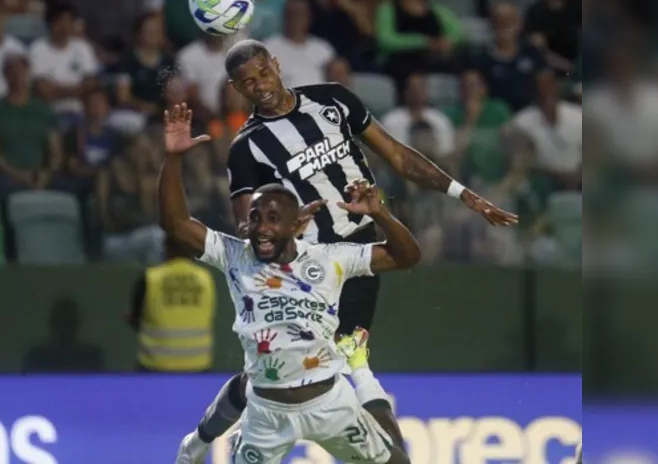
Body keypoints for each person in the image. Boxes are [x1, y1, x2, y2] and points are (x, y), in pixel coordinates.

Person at [176, 38, 519, 463]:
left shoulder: (332, 101)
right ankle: (199, 442)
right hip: (303, 267)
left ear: (277, 65)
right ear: (236, 88)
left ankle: (391, 456)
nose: (260, 86)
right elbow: (248, 226)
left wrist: (462, 193)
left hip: (358, 256)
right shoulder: (247, 148)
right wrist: (294, 223)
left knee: (351, 358)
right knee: (275, 372)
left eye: (264, 73)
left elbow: (396, 155)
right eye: (248, 82)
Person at [159, 102, 417, 464]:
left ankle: (359, 368)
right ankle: (196, 444)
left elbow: (407, 256)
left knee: (398, 461)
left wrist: (380, 214)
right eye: (255, 217)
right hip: (267, 414)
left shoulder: (329, 258)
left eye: (273, 219)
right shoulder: (236, 255)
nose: (261, 227)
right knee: (251, 376)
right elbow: (175, 223)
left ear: (295, 225)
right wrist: (172, 159)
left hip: (330, 402)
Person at [127, 238, 216, 373]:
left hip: (155, 367)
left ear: (167, 247)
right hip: (198, 367)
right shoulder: (205, 278)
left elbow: (134, 318)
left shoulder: (150, 277)